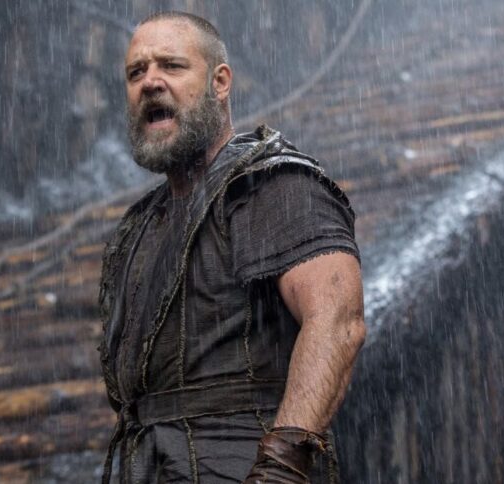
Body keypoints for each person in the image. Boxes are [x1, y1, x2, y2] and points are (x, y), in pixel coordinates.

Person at [98, 11, 366, 483]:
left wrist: (280, 468)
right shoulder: (139, 227)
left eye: (172, 66)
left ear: (220, 82)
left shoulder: (272, 185)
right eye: (136, 72)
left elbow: (337, 323)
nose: (150, 82)